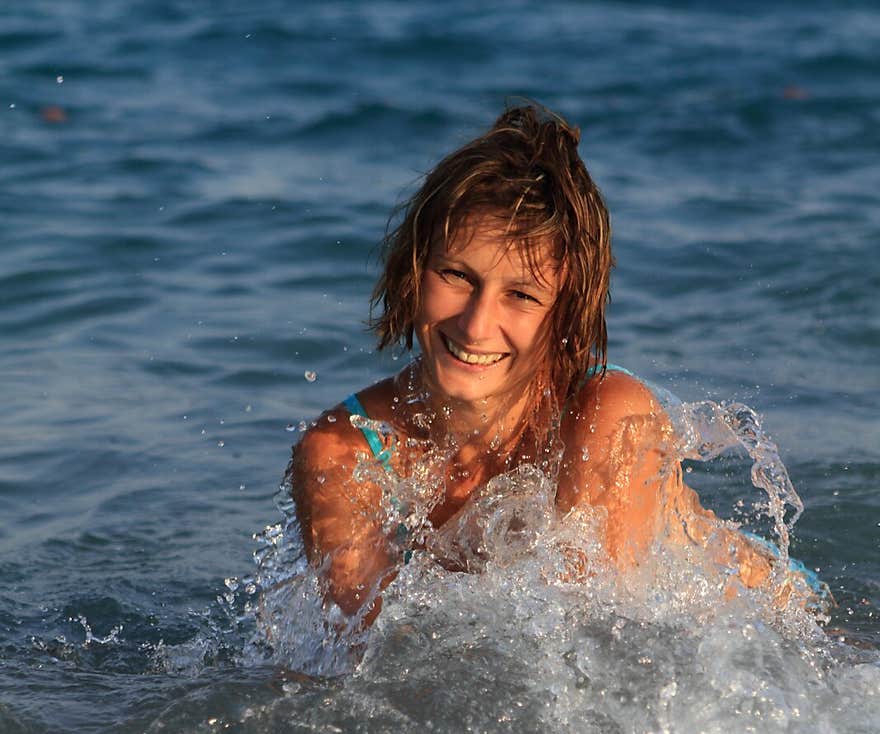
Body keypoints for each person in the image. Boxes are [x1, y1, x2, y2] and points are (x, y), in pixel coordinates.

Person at [290, 104, 805, 627]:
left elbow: (608, 644)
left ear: (567, 317)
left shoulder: (605, 417)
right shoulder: (343, 450)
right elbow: (358, 658)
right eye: (457, 276)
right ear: (412, 271)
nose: (475, 325)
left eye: (521, 295)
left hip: (781, 625)